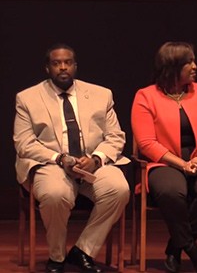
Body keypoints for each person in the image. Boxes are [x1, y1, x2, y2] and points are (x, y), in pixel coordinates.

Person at [13, 43, 130, 273]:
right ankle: (57, 257)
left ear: (75, 66)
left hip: (93, 164)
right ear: (47, 68)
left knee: (118, 189)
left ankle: (83, 251)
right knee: (55, 194)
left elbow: (116, 136)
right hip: (51, 163)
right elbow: (24, 143)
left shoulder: (101, 94)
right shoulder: (27, 98)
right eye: (56, 64)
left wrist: (96, 159)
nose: (63, 68)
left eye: (67, 63)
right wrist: (59, 158)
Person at [131, 41, 197, 273]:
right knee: (171, 192)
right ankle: (193, 250)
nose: (195, 66)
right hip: (164, 162)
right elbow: (146, 143)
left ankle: (175, 247)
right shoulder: (145, 96)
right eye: (189, 62)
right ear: (172, 67)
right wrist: (182, 164)